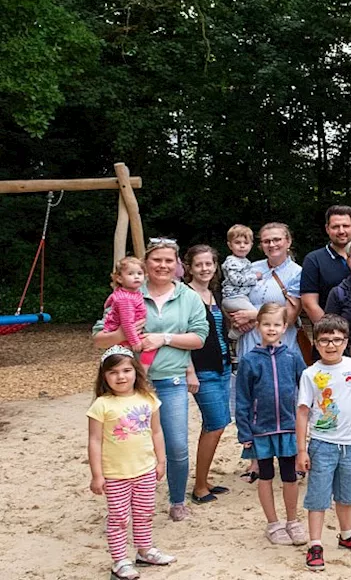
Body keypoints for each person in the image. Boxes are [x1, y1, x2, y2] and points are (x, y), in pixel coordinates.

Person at [92, 238, 208, 522]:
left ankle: (177, 500)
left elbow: (199, 338)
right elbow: (97, 338)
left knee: (177, 445)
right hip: (129, 386)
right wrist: (123, 333)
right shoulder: (127, 293)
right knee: (125, 445)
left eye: (169, 260)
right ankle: (124, 503)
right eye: (157, 260)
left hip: (171, 381)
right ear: (146, 263)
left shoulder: (188, 296)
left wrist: (163, 338)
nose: (163, 265)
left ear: (177, 264)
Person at [88, 348, 177, 580]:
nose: (121, 377)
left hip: (145, 469)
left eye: (127, 370)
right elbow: (95, 441)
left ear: (136, 372)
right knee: (118, 517)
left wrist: (161, 461)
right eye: (113, 372)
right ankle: (120, 560)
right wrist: (97, 475)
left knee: (144, 512)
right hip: (115, 473)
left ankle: (145, 550)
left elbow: (157, 432)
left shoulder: (148, 399)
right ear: (104, 376)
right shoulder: (102, 405)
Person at [297, 314, 351, 571]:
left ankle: (347, 534)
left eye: (336, 340)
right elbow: (303, 411)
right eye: (324, 340)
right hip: (322, 443)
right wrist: (302, 449)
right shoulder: (311, 374)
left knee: (346, 494)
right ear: (316, 343)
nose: (331, 345)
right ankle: (315, 543)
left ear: (345, 341)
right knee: (318, 496)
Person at [235, 303, 309, 545]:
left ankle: (292, 520)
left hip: (288, 428)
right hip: (261, 431)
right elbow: (243, 399)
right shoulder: (249, 360)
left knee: (290, 476)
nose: (271, 328)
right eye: (266, 324)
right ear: (257, 327)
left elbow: (307, 387)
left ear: (284, 327)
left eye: (277, 324)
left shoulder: (292, 356)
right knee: (265, 476)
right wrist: (245, 432)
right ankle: (273, 524)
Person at [184, 245, 234, 504]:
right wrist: (190, 371)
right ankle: (199, 487)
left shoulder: (214, 293)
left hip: (223, 365)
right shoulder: (186, 295)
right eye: (199, 264)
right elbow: (183, 336)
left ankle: (204, 479)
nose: (205, 269)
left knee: (215, 424)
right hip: (202, 370)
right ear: (189, 267)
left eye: (209, 264)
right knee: (216, 424)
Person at [227, 223, 303, 357]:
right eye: (266, 241)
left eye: (277, 240)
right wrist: (236, 320)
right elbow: (233, 294)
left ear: (288, 241)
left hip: (280, 343)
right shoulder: (252, 267)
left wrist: (252, 315)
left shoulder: (297, 273)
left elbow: (290, 317)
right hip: (249, 340)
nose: (272, 245)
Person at [101, 257, 156, 370]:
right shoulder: (125, 299)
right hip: (123, 335)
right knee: (150, 347)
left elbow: (109, 302)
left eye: (139, 273)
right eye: (130, 274)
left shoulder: (131, 293)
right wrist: (134, 341)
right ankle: (142, 372)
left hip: (131, 332)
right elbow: (127, 322)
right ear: (120, 279)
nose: (136, 276)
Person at [221, 224, 260, 341]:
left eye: (246, 243)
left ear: (251, 245)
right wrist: (255, 277)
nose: (242, 246)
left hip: (241, 298)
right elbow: (237, 280)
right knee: (257, 314)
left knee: (252, 319)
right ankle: (233, 333)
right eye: (238, 243)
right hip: (233, 298)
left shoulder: (246, 261)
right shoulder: (231, 262)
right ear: (230, 245)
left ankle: (240, 328)